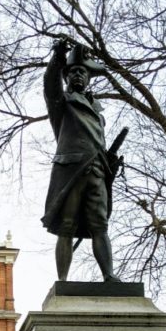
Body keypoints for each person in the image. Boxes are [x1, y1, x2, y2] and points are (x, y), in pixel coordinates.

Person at [42, 37, 127, 282]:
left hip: (98, 171)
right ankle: (63, 282)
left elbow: (96, 141)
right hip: (71, 170)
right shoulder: (61, 102)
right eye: (73, 72)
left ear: (89, 78)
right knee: (66, 226)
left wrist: (109, 161)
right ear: (66, 77)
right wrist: (58, 57)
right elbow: (50, 83)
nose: (78, 75)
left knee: (100, 225)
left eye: (82, 72)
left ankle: (109, 276)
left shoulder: (98, 112)